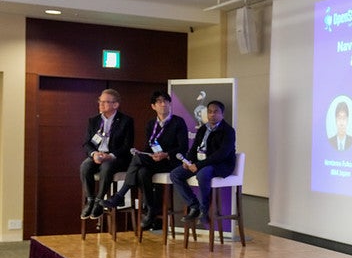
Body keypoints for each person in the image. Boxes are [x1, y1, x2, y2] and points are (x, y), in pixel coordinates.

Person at [100, 91, 188, 230]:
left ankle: (121, 195)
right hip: (155, 161)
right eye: (159, 102)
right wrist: (151, 154)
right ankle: (151, 210)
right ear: (153, 106)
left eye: (166, 101)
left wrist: (166, 154)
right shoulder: (151, 123)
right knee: (142, 173)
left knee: (137, 159)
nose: (163, 104)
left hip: (171, 162)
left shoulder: (178, 122)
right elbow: (149, 146)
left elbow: (183, 147)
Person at [170, 100, 236, 224]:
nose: (212, 115)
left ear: (222, 114)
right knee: (175, 174)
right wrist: (188, 160)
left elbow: (221, 155)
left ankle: (204, 210)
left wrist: (198, 165)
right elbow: (194, 148)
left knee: (203, 173)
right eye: (209, 112)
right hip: (201, 163)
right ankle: (194, 205)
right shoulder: (202, 129)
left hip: (220, 165)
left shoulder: (228, 131)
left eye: (215, 112)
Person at [79, 89, 134, 220]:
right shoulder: (94, 120)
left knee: (106, 167)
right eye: (100, 101)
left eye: (105, 102)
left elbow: (127, 146)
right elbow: (87, 143)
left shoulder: (126, 121)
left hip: (116, 157)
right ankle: (90, 199)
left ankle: (99, 201)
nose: (101, 104)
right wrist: (93, 154)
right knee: (85, 166)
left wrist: (111, 156)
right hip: (98, 155)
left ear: (115, 105)